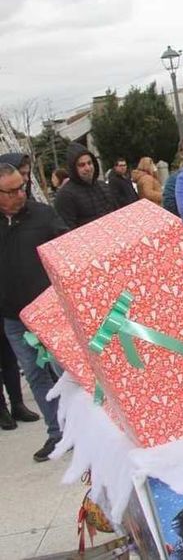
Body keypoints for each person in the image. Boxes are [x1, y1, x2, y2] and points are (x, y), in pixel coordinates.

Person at [0, 163, 68, 461]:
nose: (20, 194)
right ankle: (57, 434)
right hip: (14, 318)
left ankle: (84, 432)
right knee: (36, 376)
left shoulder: (43, 215)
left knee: (66, 374)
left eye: (22, 187)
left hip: (51, 314)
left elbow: (66, 251)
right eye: (12, 191)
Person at [54, 143, 117, 229]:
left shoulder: (104, 186)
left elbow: (117, 214)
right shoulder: (65, 196)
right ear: (73, 168)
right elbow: (67, 232)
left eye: (89, 163)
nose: (88, 168)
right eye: (82, 165)